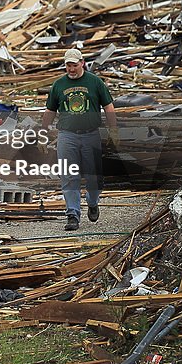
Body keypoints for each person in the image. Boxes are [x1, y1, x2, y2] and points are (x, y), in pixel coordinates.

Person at [41, 48, 118, 232]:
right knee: (69, 176)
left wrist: (113, 130)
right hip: (67, 136)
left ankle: (92, 202)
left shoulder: (95, 82)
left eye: (74, 65)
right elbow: (50, 111)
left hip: (91, 134)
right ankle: (72, 214)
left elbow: (108, 107)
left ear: (82, 63)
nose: (71, 69)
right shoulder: (59, 85)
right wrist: (43, 134)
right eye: (68, 65)